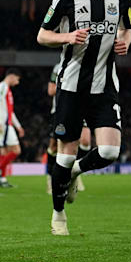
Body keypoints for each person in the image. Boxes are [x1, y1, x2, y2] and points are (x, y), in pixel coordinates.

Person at [36, 0, 131, 236]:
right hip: (71, 87)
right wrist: (67, 37)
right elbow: (42, 35)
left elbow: (127, 28)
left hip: (104, 87)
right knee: (64, 155)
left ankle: (76, 171)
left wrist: (124, 42)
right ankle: (58, 215)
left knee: (110, 152)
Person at [45, 62, 91, 194]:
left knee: (85, 141)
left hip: (81, 109)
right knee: (54, 146)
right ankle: (50, 178)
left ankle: (75, 173)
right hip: (61, 110)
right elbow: (51, 90)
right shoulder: (59, 67)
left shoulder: (87, 64)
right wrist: (70, 85)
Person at [0, 68, 24, 189]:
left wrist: (18, 126)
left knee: (4, 152)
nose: (17, 82)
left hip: (7, 123)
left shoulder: (7, 90)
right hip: (4, 124)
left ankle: (2, 178)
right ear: (12, 76)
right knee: (16, 150)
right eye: (17, 79)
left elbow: (10, 111)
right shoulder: (2, 87)